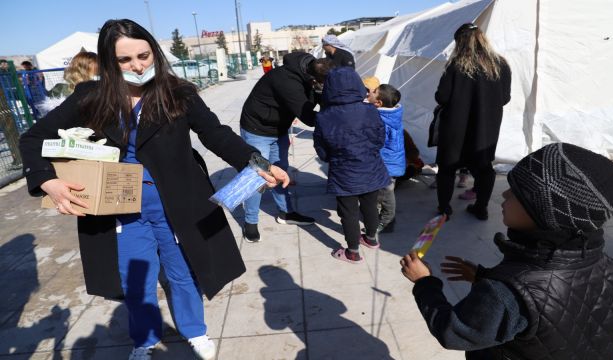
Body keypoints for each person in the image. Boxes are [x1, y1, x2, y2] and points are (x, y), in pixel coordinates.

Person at [19, 19, 290, 360]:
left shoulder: (179, 93)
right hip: (119, 209)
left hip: (176, 204)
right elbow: (32, 139)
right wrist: (47, 180)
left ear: (154, 52)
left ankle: (195, 330)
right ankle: (144, 340)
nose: (137, 65)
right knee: (136, 280)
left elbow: (215, 134)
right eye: (125, 60)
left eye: (144, 55)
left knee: (183, 271)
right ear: (109, 62)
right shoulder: (89, 98)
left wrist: (258, 163)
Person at [401, 142, 613, 360]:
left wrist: (424, 282)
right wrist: (485, 277)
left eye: (516, 193)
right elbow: (560, 310)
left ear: (544, 214)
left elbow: (454, 331)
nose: (504, 194)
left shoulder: (506, 292)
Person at [239, 52, 334, 242]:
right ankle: (250, 221)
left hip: (279, 128)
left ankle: (286, 213)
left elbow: (312, 102)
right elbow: (308, 117)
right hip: (257, 129)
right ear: (314, 78)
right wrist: (338, 118)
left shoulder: (308, 70)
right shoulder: (287, 82)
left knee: (281, 171)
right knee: (258, 176)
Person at [434, 23, 511, 220]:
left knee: (447, 168)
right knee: (484, 168)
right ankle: (481, 207)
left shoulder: (455, 66)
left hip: (455, 128)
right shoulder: (500, 64)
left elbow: (442, 97)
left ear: (460, 42)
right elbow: (504, 98)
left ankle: (444, 208)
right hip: (485, 127)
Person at [314, 66, 390, 263]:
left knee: (348, 213)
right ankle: (371, 239)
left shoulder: (324, 116)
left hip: (343, 171)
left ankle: (353, 251)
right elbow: (380, 138)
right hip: (371, 167)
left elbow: (321, 147)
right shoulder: (370, 110)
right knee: (370, 206)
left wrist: (331, 158)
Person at [367, 83, 405, 233]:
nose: (370, 92)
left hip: (387, 165)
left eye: (374, 91)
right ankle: (376, 213)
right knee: (380, 192)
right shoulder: (390, 114)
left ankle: (387, 221)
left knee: (386, 194)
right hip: (388, 163)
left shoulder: (382, 120)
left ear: (378, 103)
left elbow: (376, 142)